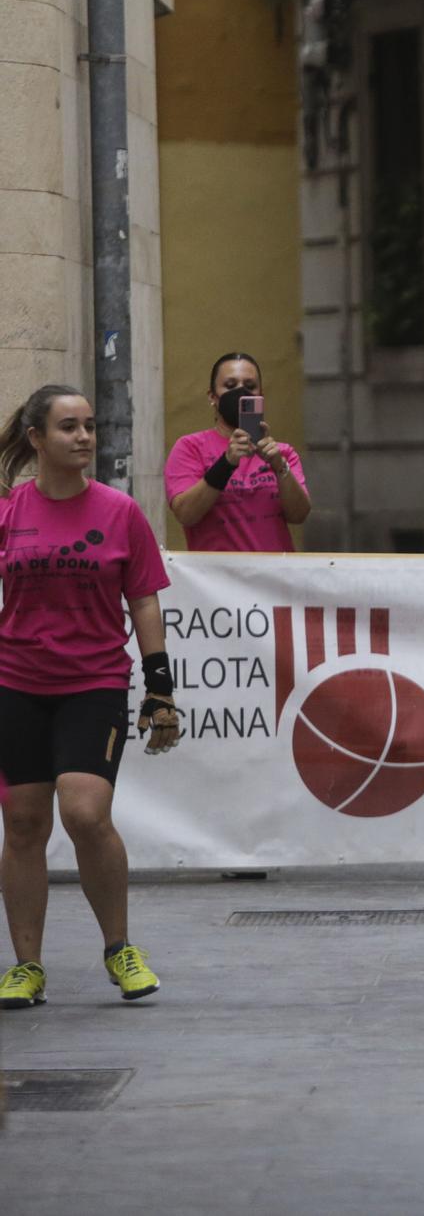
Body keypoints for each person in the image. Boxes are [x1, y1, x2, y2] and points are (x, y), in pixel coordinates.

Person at [0, 385, 184, 1010]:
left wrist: (159, 687)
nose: (83, 438)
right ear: (36, 440)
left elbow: (145, 599)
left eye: (89, 427)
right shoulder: (9, 512)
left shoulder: (119, 511)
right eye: (68, 427)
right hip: (17, 684)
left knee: (84, 814)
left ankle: (120, 949)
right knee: (23, 823)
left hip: (94, 683)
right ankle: (27, 967)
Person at [165, 352, 310, 551]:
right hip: (215, 578)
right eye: (230, 386)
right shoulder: (190, 447)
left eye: (249, 386)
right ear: (212, 397)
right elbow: (185, 514)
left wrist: (279, 465)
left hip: (274, 576)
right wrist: (226, 463)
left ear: (260, 395)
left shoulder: (282, 453)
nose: (241, 392)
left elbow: (299, 515)